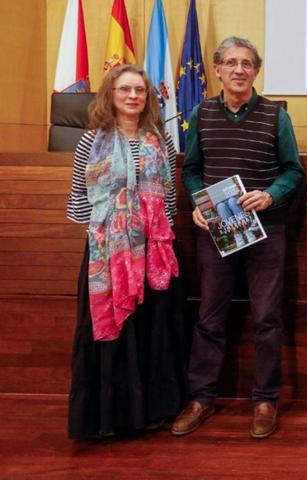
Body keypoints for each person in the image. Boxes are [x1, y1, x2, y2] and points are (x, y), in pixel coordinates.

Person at [172, 36, 305, 439]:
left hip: (266, 231)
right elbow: (192, 168)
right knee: (210, 317)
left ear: (256, 71)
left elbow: (294, 171)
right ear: (217, 70)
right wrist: (199, 201)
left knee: (267, 318)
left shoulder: (275, 115)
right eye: (230, 63)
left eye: (247, 63)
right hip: (217, 231)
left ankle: (265, 399)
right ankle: (201, 398)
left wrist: (270, 194)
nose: (238, 70)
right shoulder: (201, 113)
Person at [65, 64, 187, 439]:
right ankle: (108, 418)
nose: (133, 96)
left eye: (140, 90)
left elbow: (168, 197)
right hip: (109, 254)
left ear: (148, 97)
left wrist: (153, 237)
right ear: (110, 94)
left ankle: (150, 412)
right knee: (113, 332)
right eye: (125, 90)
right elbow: (79, 202)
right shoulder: (92, 140)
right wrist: (112, 234)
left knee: (152, 329)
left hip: (153, 252)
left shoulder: (159, 138)